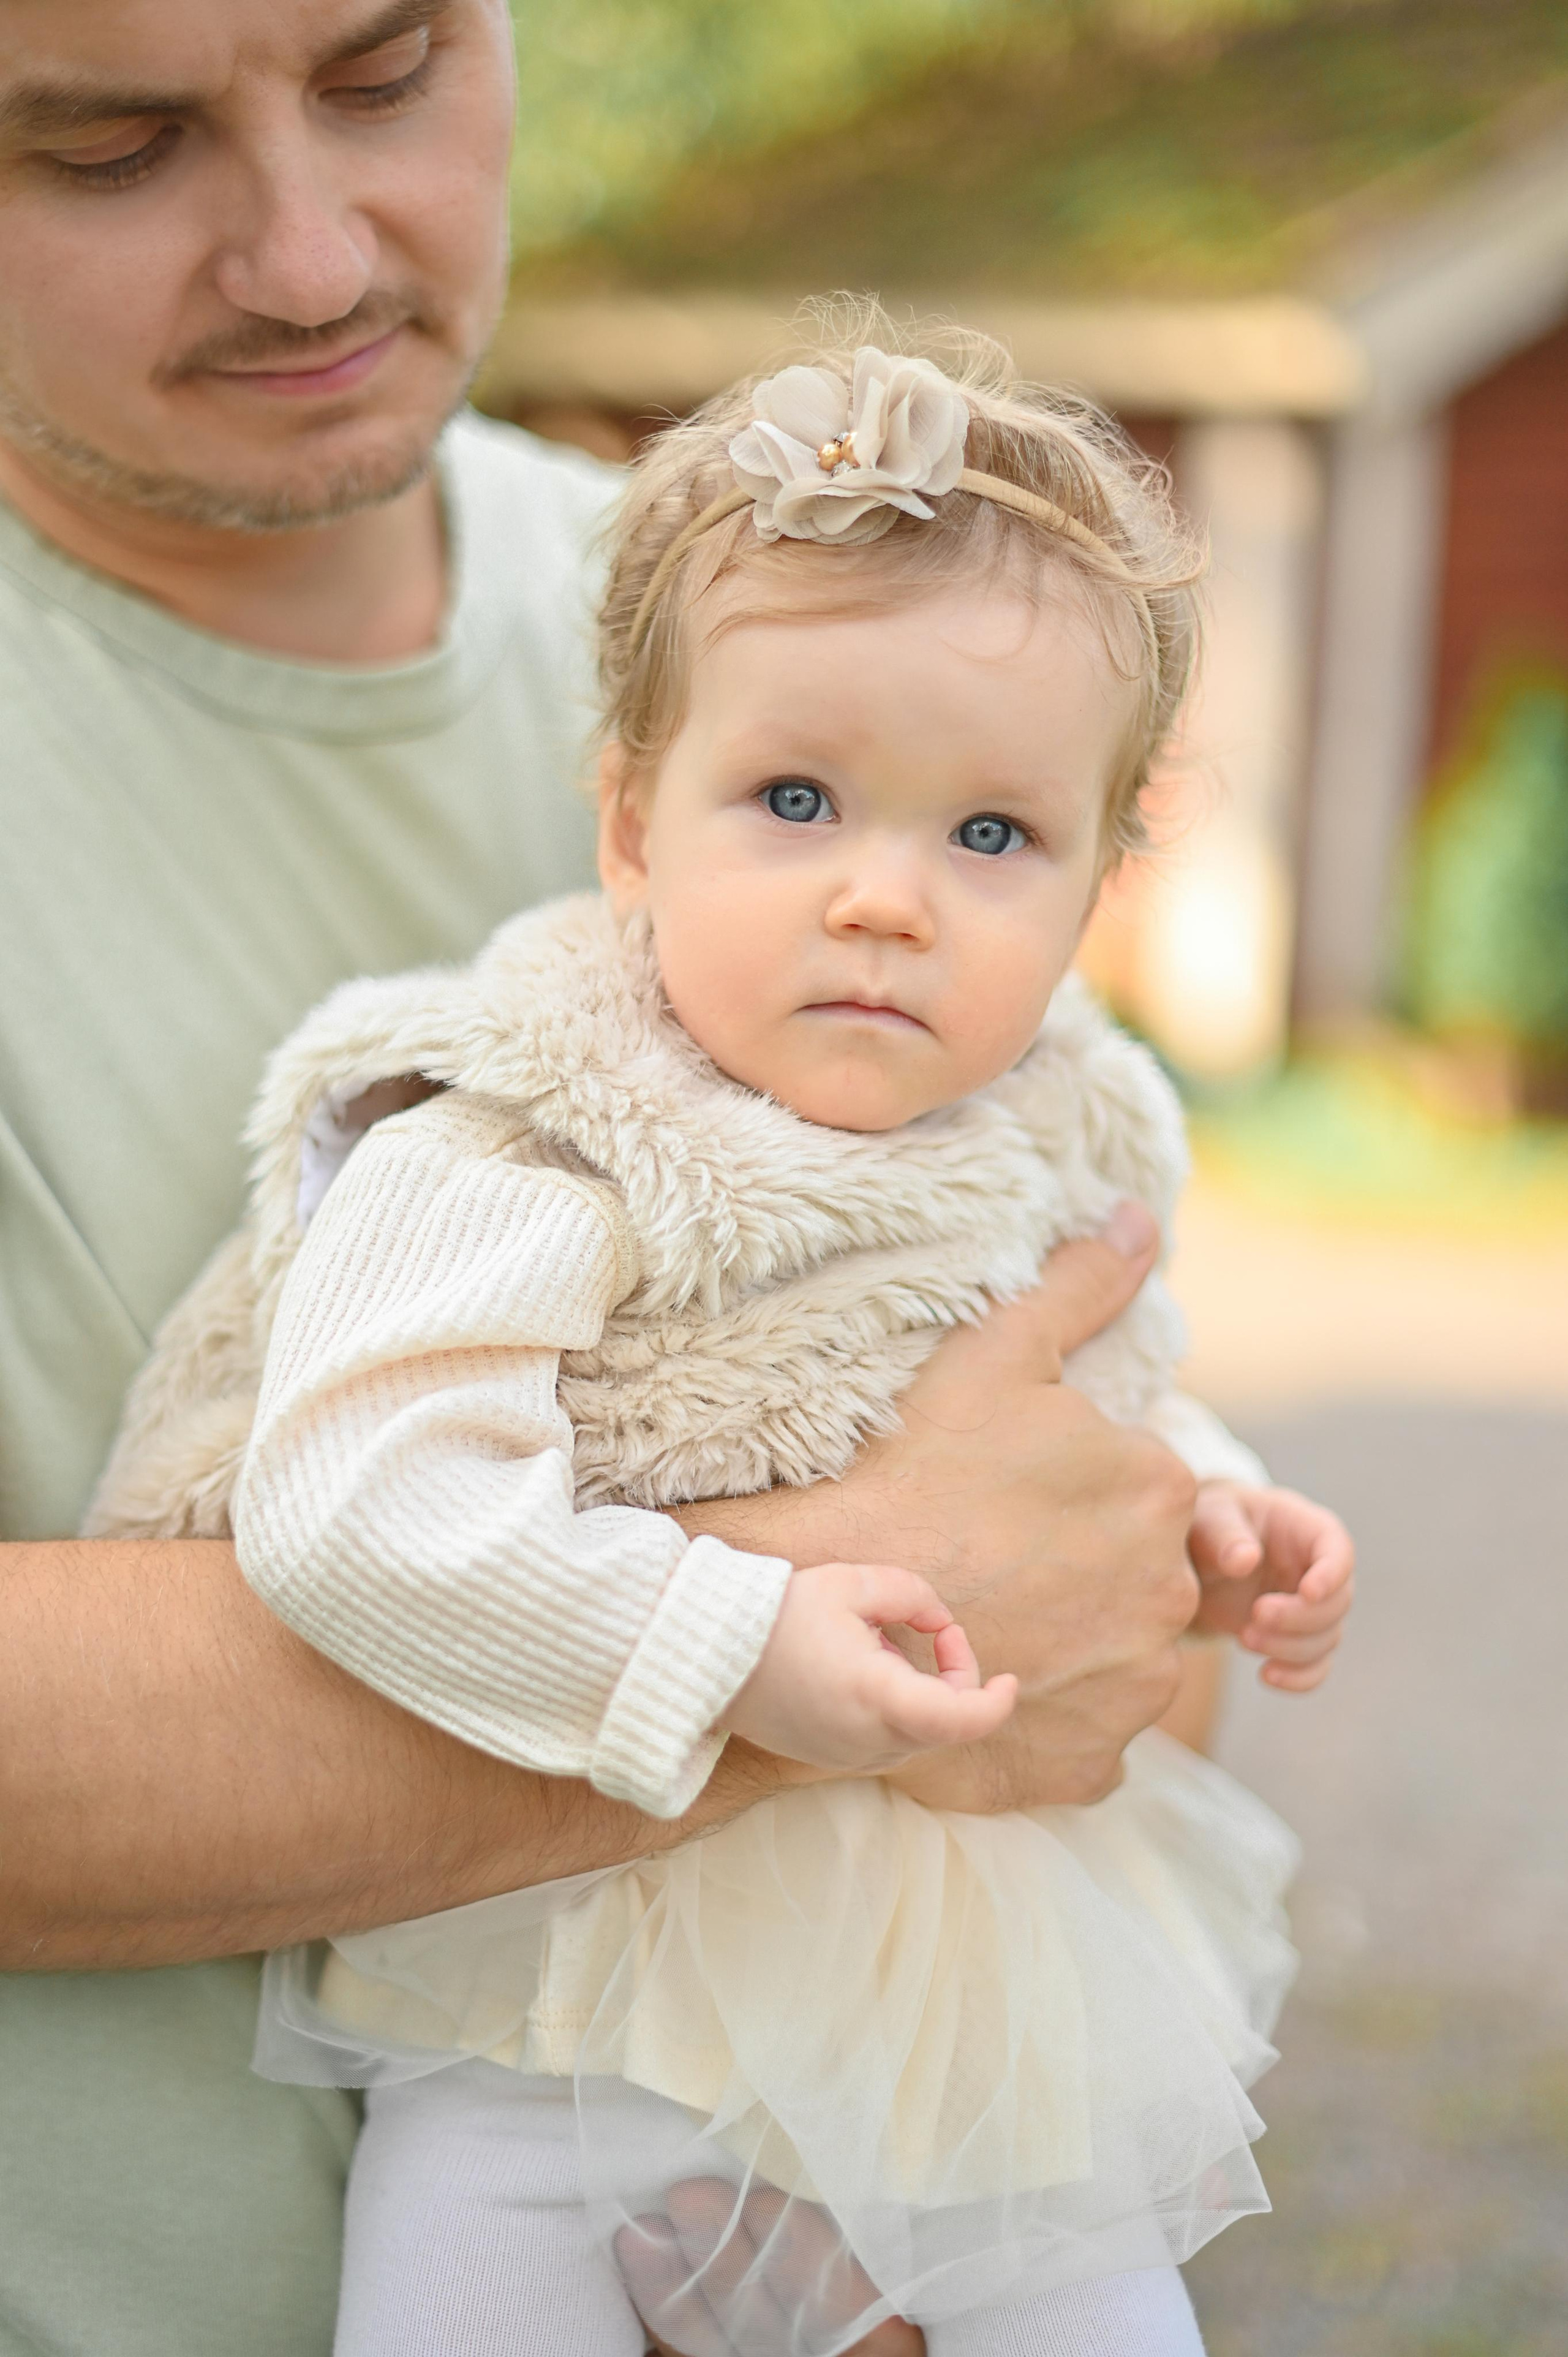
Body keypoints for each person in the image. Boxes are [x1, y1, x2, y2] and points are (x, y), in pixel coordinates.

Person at [0, 9, 1266, 2355]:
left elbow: (1108, 1608)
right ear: (631, 817)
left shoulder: (819, 602)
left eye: (386, 76)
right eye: (108, 143)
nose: (304, 254)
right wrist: (833, 1613)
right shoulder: (578, 1009)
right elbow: (974, 1572)